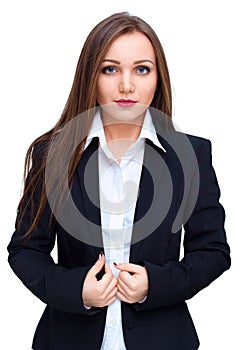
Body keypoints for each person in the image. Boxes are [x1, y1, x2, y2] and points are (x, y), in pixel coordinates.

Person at [7, 11, 231, 350]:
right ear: (90, 76)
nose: (126, 85)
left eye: (142, 69)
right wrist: (75, 290)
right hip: (68, 339)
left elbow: (213, 251)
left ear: (157, 79)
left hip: (164, 339)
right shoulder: (52, 154)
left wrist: (155, 285)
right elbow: (25, 250)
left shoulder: (191, 156)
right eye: (110, 69)